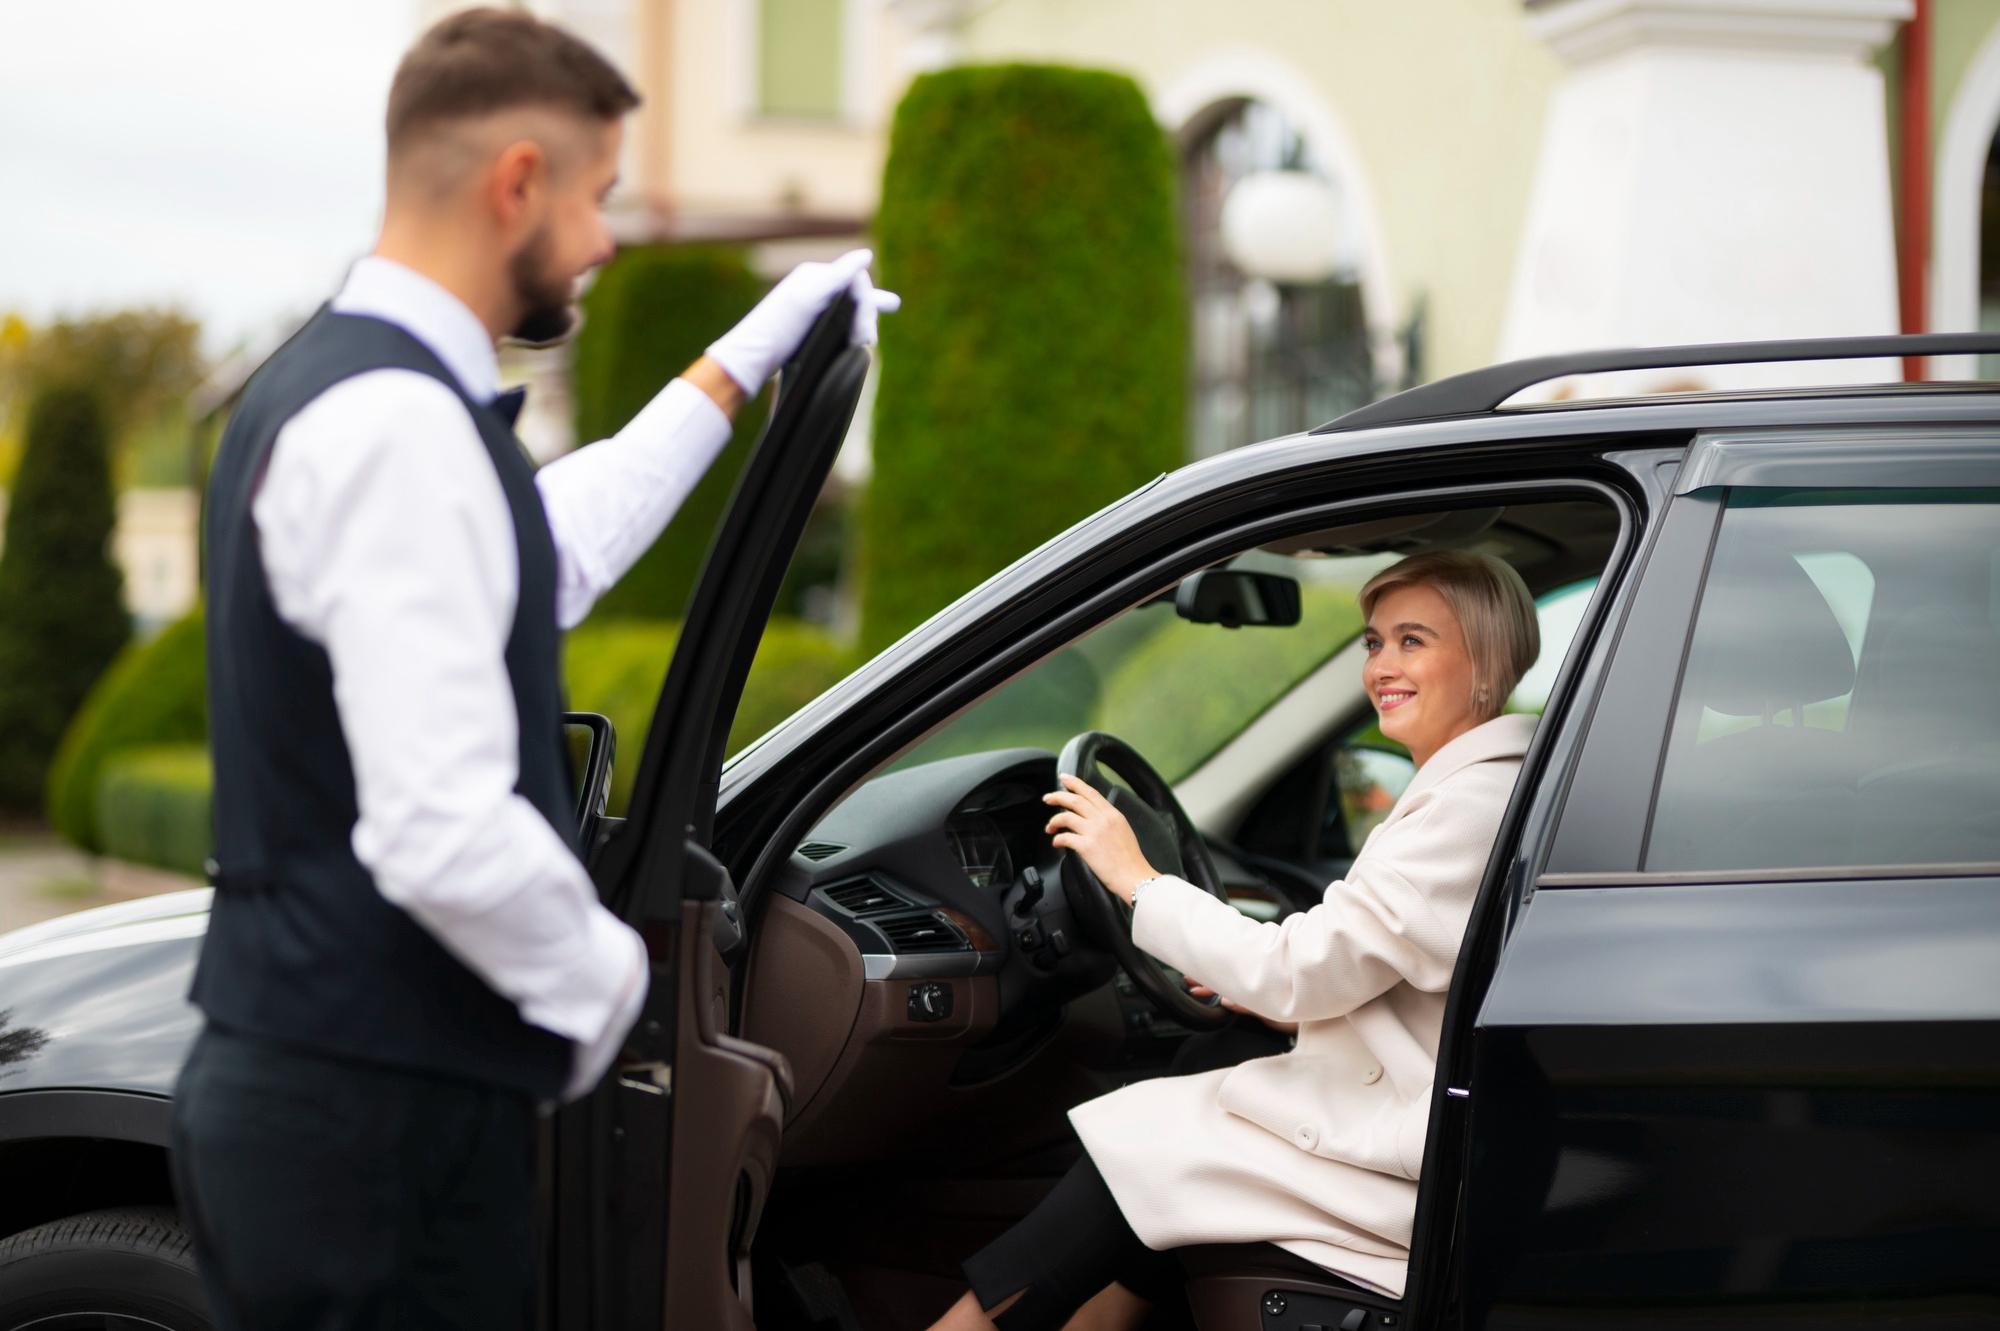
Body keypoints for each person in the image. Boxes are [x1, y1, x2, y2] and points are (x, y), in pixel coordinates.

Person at [167, 10, 897, 1329]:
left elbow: (550, 542)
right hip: (373, 1129)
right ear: (517, 181)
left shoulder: (351, 392)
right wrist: (616, 993)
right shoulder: (397, 427)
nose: (607, 237)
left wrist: (740, 362)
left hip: (337, 1101)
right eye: (597, 193)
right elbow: (440, 825)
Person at [928, 549, 1541, 1331]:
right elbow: (1380, 966)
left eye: (1412, 641)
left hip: (1406, 1160)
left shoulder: (1468, 804)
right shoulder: (1472, 786)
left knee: (1146, 1145)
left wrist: (1136, 878)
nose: (1381, 665)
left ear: (1485, 662)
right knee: (1202, 1072)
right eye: (1374, 641)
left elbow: (1298, 967)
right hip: (1418, 1114)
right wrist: (1271, 998)